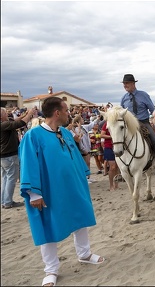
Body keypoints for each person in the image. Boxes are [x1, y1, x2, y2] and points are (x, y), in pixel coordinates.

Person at [18, 97, 104, 287]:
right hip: (49, 189)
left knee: (80, 218)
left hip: (72, 187)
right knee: (48, 225)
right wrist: (34, 193)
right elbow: (28, 163)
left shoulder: (65, 133)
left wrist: (82, 179)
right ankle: (51, 270)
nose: (69, 114)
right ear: (57, 112)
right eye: (66, 110)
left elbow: (74, 156)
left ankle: (84, 254)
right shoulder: (33, 136)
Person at [120, 74, 155, 178]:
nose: (125, 85)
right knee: (119, 141)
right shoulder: (123, 98)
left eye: (126, 83)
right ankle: (122, 169)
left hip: (143, 122)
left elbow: (152, 110)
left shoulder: (143, 95)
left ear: (133, 83)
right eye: (124, 84)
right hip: (129, 124)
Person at [1, 107, 36, 209]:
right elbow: (20, 123)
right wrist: (29, 114)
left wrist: (25, 115)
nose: (7, 115)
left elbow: (15, 121)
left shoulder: (4, 124)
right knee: (11, 179)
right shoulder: (4, 124)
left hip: (4, 157)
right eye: (5, 114)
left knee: (5, 179)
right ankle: (8, 202)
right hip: (9, 156)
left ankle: (4, 201)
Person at [100, 121, 119, 191]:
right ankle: (111, 185)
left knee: (116, 167)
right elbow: (101, 135)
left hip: (117, 146)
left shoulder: (118, 123)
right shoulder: (107, 124)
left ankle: (116, 184)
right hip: (109, 146)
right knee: (112, 167)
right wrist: (111, 136)